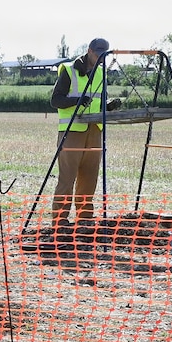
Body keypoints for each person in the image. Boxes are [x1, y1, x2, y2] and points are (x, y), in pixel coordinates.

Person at [49, 39, 113, 233]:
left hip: (95, 130)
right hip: (72, 131)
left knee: (89, 177)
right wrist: (77, 100)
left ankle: (84, 220)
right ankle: (60, 221)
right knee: (67, 178)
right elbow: (55, 100)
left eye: (103, 55)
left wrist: (109, 106)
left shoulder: (101, 73)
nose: (100, 58)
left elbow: (99, 102)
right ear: (89, 51)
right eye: (98, 54)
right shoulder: (69, 70)